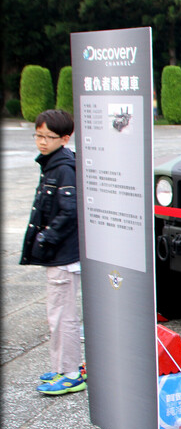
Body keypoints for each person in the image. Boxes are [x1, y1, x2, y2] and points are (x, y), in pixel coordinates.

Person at [21, 110, 86, 396]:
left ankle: (71, 372)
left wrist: (46, 238)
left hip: (63, 255)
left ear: (65, 138)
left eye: (48, 137)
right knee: (57, 313)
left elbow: (69, 211)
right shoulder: (54, 164)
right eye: (38, 135)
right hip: (60, 254)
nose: (41, 142)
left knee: (62, 315)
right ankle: (63, 366)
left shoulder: (63, 168)